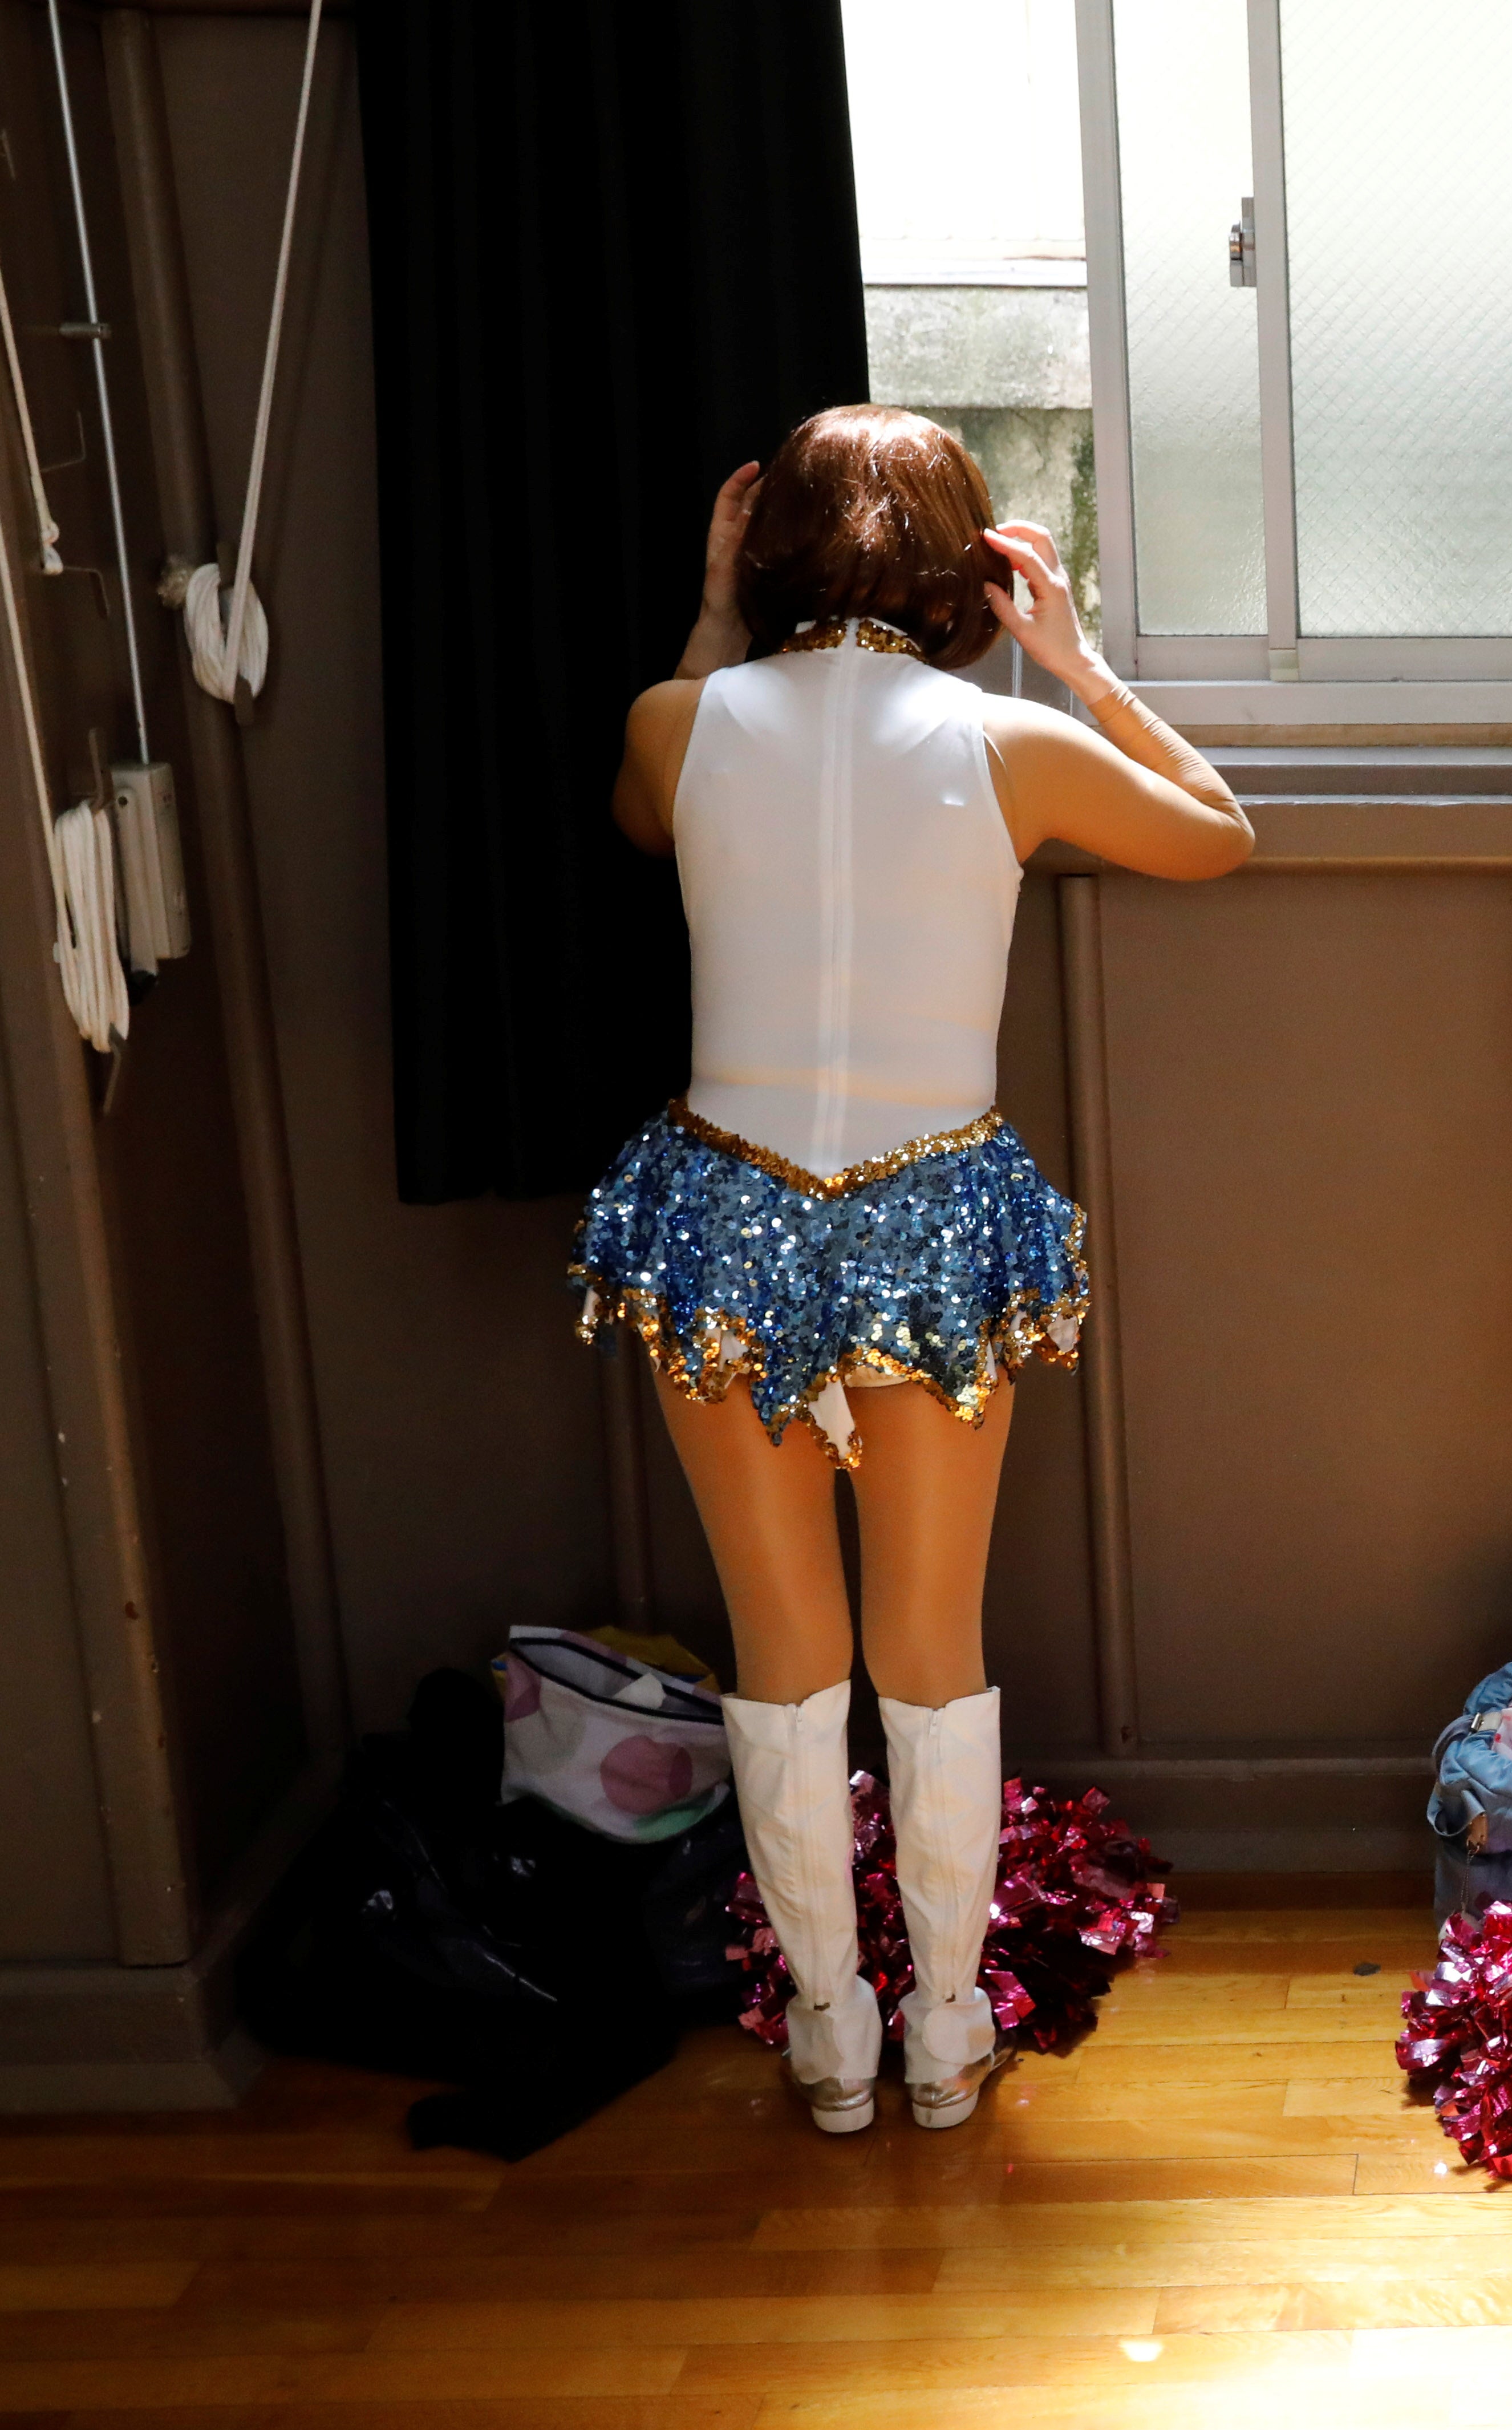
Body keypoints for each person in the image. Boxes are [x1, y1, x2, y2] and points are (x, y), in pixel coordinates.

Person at [578, 406, 1251, 2135]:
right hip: (933, 1217)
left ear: (773, 551)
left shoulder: (679, 719)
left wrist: (717, 616)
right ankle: (948, 2028)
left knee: (780, 1635)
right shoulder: (1001, 740)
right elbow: (1217, 831)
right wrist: (1079, 664)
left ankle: (831, 2031)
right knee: (927, 1640)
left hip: (722, 1207)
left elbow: (648, 821)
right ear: (962, 567)